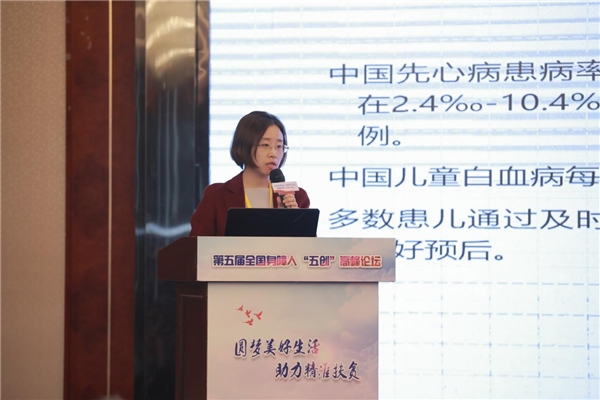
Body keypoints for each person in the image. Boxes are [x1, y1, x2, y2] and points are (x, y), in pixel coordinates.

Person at [189, 111, 310, 236]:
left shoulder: (297, 197)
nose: (273, 154)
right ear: (244, 146)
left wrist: (292, 221)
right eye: (265, 145)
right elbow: (196, 245)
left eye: (279, 146)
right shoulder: (215, 195)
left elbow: (308, 247)